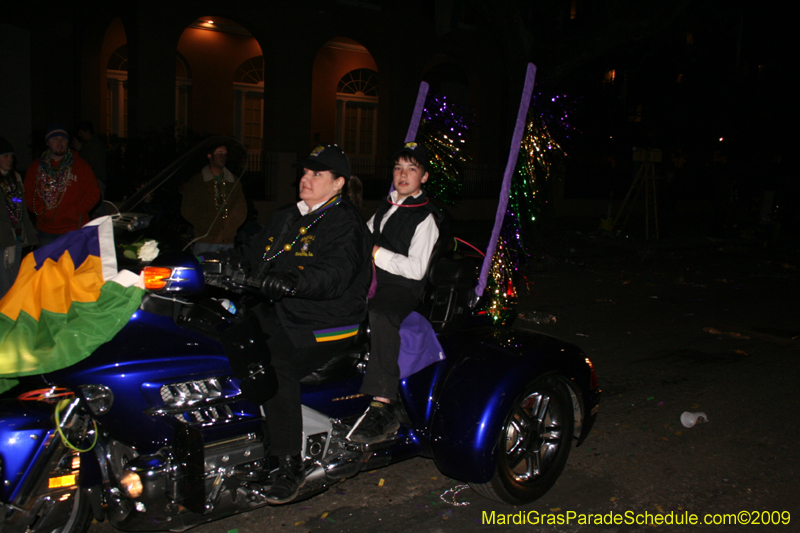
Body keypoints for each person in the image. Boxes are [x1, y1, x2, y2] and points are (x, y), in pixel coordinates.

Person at [233, 144, 371, 504]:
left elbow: (336, 271)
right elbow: (254, 253)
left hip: (326, 320)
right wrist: (217, 262)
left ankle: (288, 462)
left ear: (339, 183)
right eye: (305, 172)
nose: (305, 179)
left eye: (317, 174)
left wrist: (295, 280)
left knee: (273, 365)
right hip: (280, 310)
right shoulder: (286, 217)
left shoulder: (345, 221)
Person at [346, 141, 441, 444]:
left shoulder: (425, 217)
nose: (403, 174)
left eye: (412, 169)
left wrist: (375, 253)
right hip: (374, 279)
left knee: (382, 312)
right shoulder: (387, 205)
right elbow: (362, 236)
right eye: (398, 167)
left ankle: (383, 405)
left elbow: (416, 270)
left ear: (423, 177)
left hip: (401, 288)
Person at [24, 124, 100, 247]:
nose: (60, 143)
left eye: (63, 139)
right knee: (47, 266)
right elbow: (28, 193)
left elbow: (94, 193)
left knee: (73, 266)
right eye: (55, 139)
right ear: (47, 142)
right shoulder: (36, 167)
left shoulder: (80, 165)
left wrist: (75, 210)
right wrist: (40, 210)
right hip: (46, 231)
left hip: (74, 229)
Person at [181, 142, 247, 255]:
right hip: (205, 241)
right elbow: (187, 208)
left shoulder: (232, 180)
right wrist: (205, 225)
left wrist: (231, 226)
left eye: (225, 154)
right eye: (219, 153)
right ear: (209, 155)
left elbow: (241, 207)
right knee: (204, 271)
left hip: (227, 241)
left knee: (227, 271)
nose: (223, 157)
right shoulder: (198, 181)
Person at [0, 137, 37, 298]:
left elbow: (21, 205)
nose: (9, 160)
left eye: (11, 156)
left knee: (14, 282)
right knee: (4, 284)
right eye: (5, 156)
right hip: (2, 240)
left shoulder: (15, 178)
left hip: (17, 236)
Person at [76, 121, 108, 215]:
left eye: (81, 132)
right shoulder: (92, 144)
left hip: (97, 179)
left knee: (97, 208)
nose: (80, 135)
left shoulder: (93, 145)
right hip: (96, 179)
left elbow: (88, 162)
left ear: (86, 132)